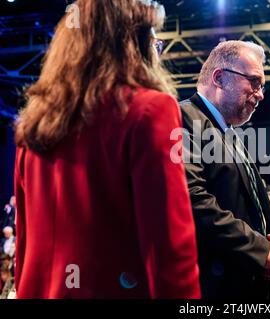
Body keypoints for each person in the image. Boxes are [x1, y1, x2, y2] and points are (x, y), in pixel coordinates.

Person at [14, 0, 200, 299]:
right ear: (132, 43)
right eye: (154, 39)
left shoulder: (32, 126)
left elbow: (24, 252)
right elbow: (170, 250)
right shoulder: (150, 111)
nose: (157, 50)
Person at [180, 40, 270, 298]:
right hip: (217, 289)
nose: (261, 94)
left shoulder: (228, 131)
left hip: (245, 282)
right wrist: (261, 250)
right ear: (219, 78)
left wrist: (266, 249)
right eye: (254, 82)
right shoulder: (184, 118)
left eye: (262, 85)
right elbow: (192, 201)